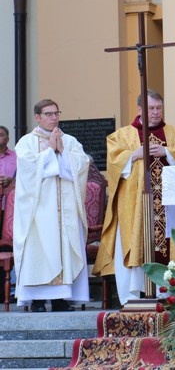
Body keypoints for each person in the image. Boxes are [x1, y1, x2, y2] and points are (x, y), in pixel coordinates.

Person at [94, 89, 175, 306]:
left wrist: (167, 153)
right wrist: (133, 154)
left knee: (165, 241)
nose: (155, 113)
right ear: (140, 109)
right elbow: (113, 164)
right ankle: (135, 293)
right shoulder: (123, 134)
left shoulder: (170, 132)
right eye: (151, 108)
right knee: (137, 240)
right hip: (134, 204)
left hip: (166, 201)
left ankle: (165, 291)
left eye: (158, 108)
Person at [13, 99, 90, 312]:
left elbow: (81, 165)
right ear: (37, 117)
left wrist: (62, 151)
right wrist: (50, 152)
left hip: (65, 210)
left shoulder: (70, 141)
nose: (53, 117)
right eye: (48, 114)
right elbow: (27, 170)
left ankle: (61, 298)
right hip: (38, 212)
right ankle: (37, 300)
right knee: (38, 251)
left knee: (65, 247)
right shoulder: (26, 142)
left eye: (56, 113)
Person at [0, 124, 17, 302]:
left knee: (9, 247)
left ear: (8, 139)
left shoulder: (16, 156)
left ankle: (9, 291)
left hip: (11, 209)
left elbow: (24, 177)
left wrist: (11, 181)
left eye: (1, 134)